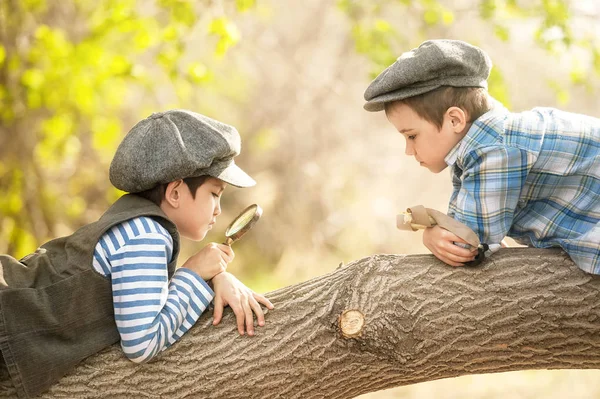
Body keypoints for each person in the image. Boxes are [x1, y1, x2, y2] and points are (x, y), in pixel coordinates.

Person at [0, 109, 274, 398]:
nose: (218, 209)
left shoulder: (136, 220)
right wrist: (193, 274)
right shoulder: (147, 236)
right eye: (215, 194)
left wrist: (215, 279)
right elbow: (142, 343)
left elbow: (146, 301)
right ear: (176, 192)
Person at [363, 39, 599, 274]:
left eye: (412, 136)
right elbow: (466, 227)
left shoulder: (493, 149)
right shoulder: (479, 144)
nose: (409, 150)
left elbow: (467, 247)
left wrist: (430, 234)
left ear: (455, 120)